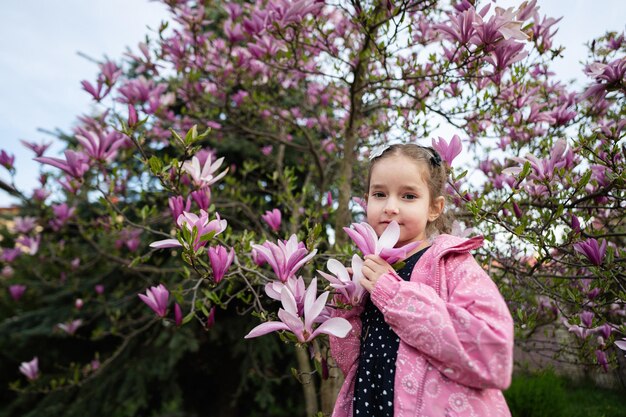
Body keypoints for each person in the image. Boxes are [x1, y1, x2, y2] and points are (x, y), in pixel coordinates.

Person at [330, 144, 514, 417]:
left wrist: (393, 293)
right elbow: (354, 363)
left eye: (408, 196)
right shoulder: (371, 272)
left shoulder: (452, 264)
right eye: (380, 194)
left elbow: (493, 355)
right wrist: (348, 306)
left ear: (434, 208)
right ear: (366, 201)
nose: (391, 207)